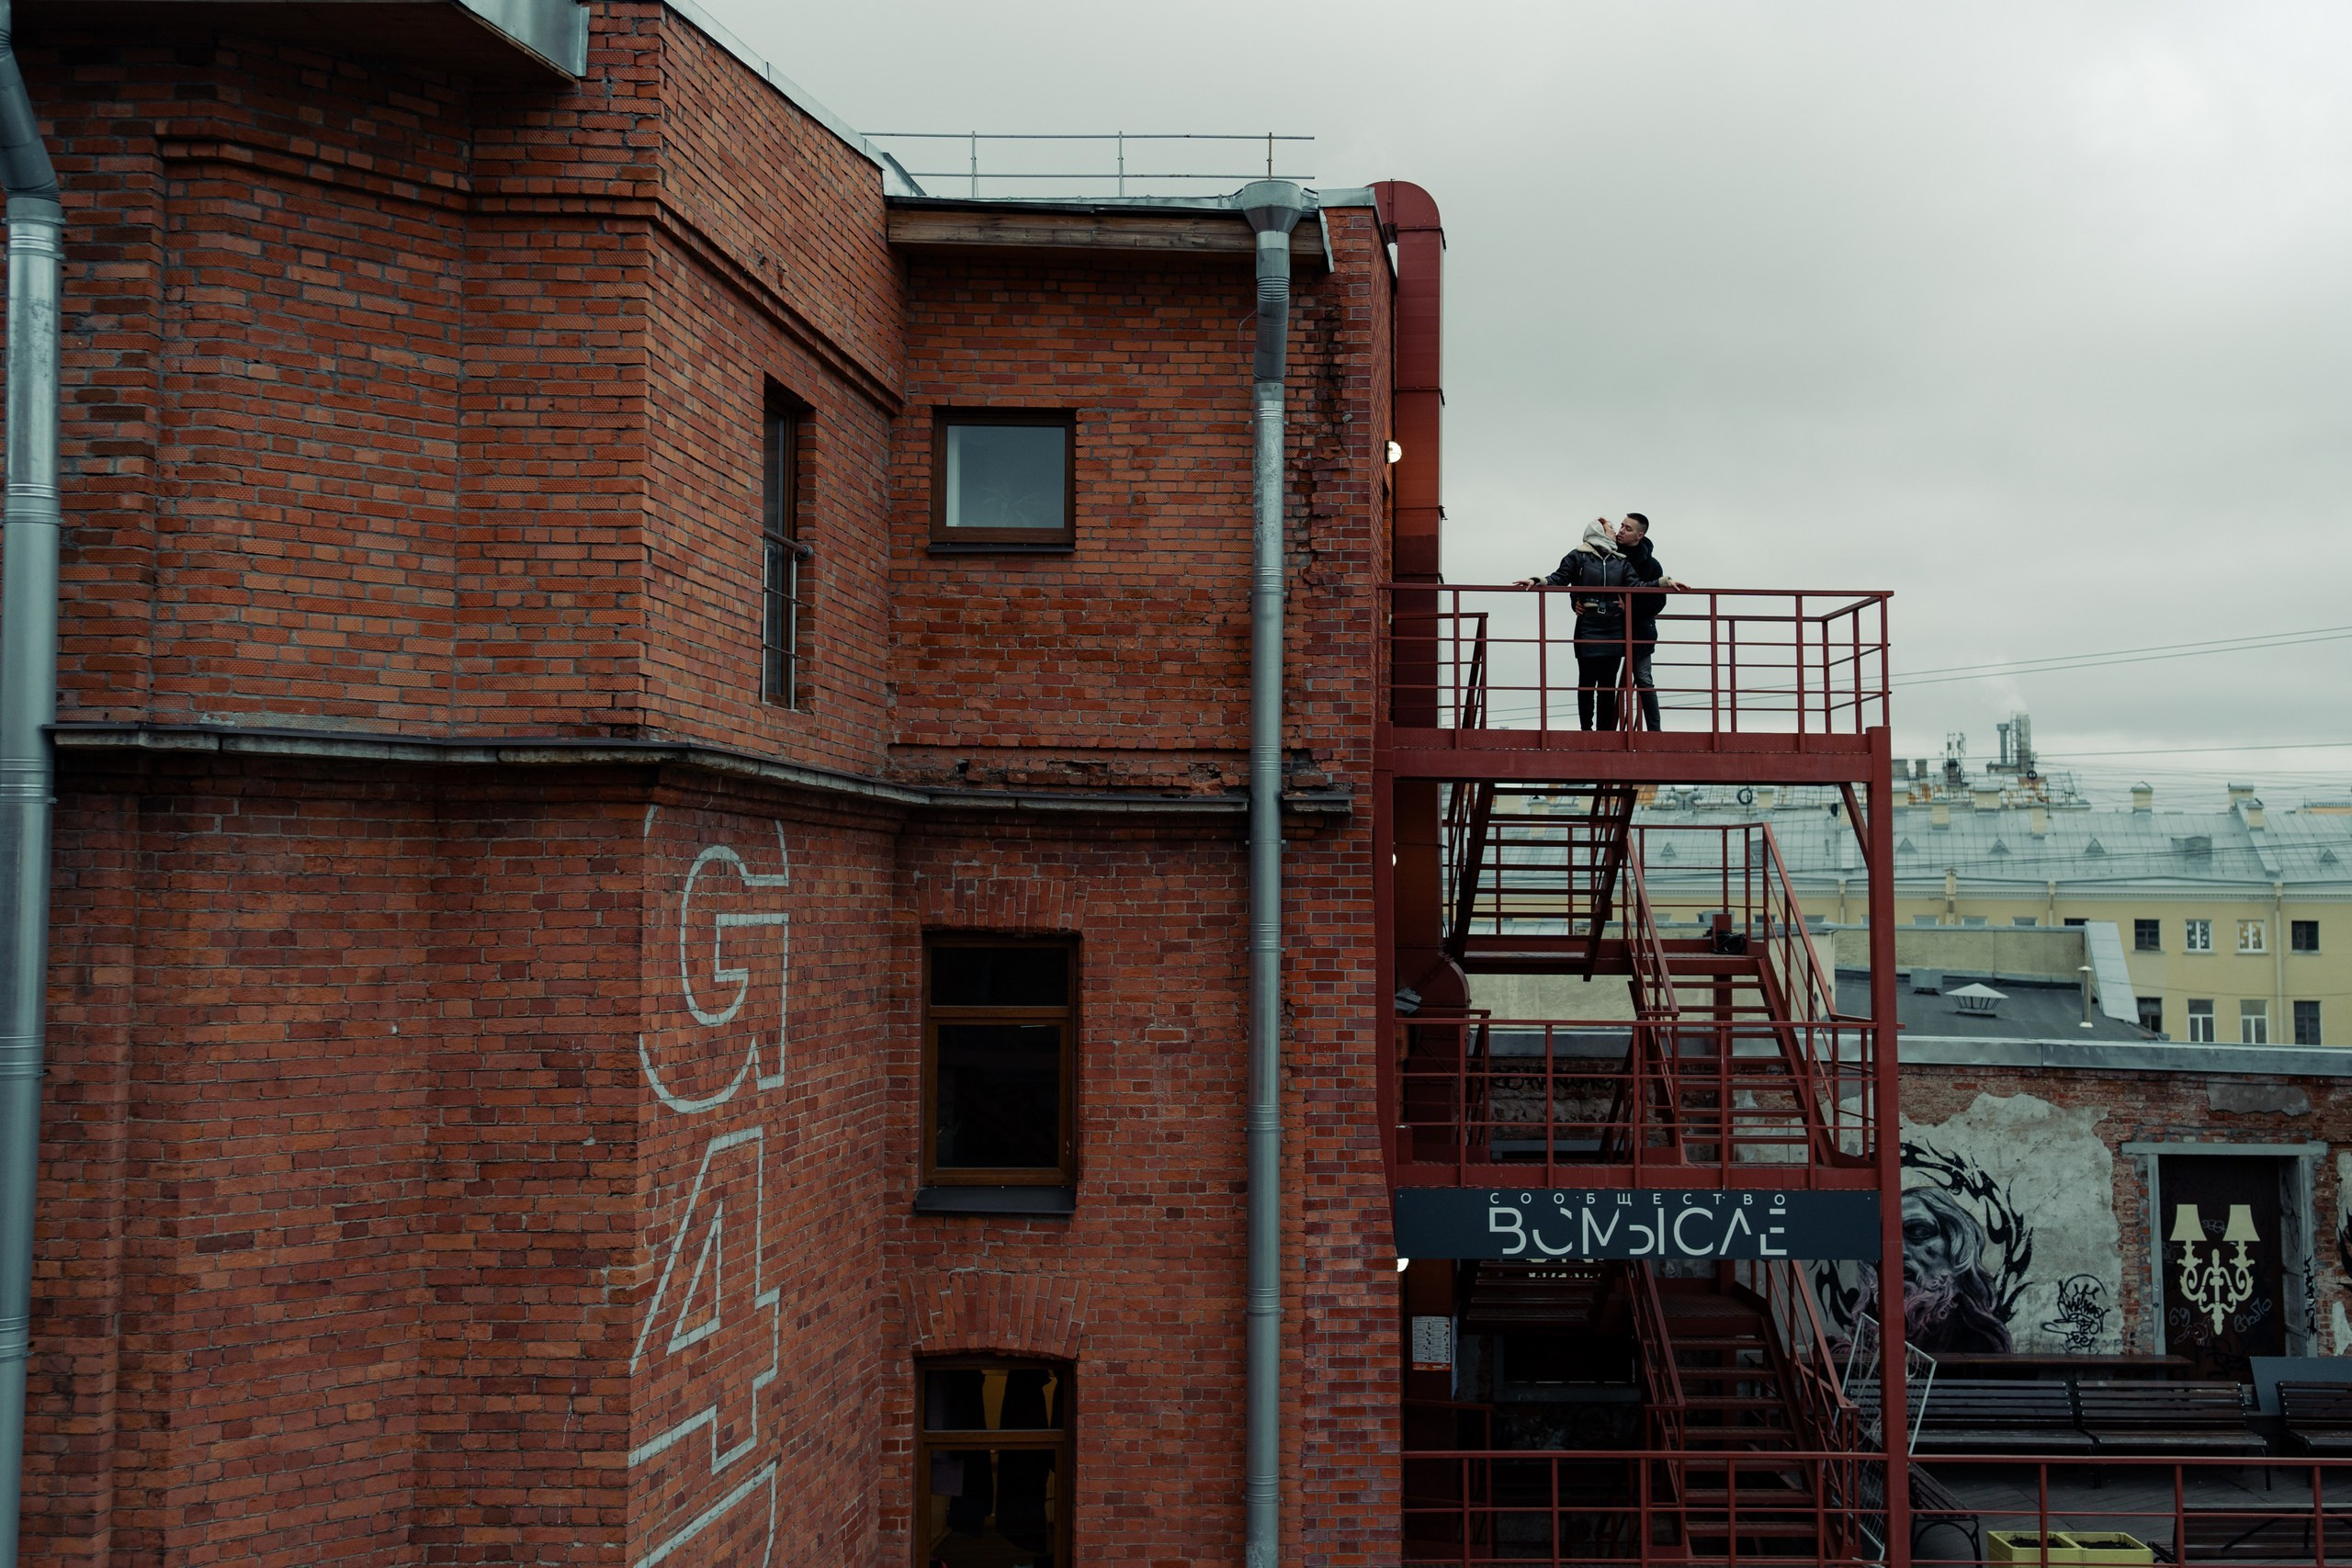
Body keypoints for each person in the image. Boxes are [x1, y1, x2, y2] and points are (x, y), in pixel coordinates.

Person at [1515, 515, 1671, 731]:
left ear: (1639, 535)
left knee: (1621, 683)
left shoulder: (1628, 561)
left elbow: (1640, 588)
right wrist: (1541, 582)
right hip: (1591, 627)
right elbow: (1567, 578)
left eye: (1626, 528)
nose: (1619, 531)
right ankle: (1587, 732)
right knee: (1587, 682)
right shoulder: (1581, 556)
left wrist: (1662, 583)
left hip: (1623, 628)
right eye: (1616, 527)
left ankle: (1615, 733)